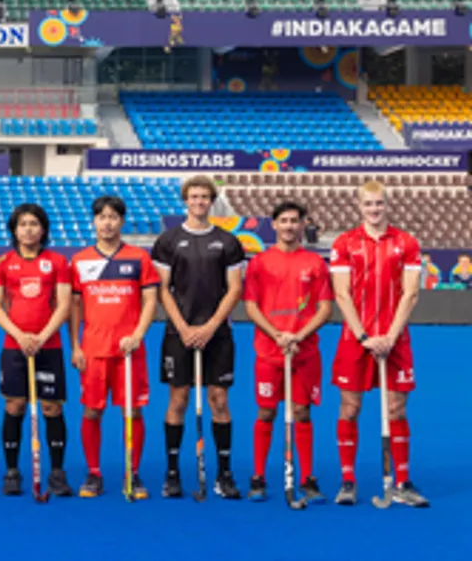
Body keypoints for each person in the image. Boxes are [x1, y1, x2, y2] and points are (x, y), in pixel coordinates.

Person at [329, 181, 428, 507]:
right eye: (369, 204)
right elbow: (341, 294)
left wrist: (390, 335)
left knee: (396, 408)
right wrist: (364, 337)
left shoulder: (406, 242)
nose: (374, 209)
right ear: (359, 206)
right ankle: (348, 480)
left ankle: (402, 480)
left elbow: (410, 292)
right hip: (355, 339)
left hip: (394, 339)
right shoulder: (344, 243)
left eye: (379, 204)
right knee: (350, 407)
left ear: (388, 205)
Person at [150, 176, 246, 499]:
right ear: (185, 200)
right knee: (178, 399)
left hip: (217, 334)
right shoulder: (168, 240)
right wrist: (184, 327)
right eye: (194, 196)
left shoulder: (229, 242)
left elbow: (235, 289)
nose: (199, 202)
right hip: (179, 333)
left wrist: (209, 327)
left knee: (219, 399)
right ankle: (172, 473)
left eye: (205, 196)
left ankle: (224, 473)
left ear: (212, 201)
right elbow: (162, 289)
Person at [242, 200, 334, 502]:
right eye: (284, 221)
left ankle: (307, 478)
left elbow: (325, 308)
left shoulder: (316, 263)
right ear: (275, 224)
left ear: (303, 224)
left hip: (304, 350)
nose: (290, 226)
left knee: (301, 411)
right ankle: (258, 477)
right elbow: (251, 306)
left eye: (295, 220)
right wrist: (278, 335)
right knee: (266, 411)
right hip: (269, 350)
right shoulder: (259, 262)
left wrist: (298, 335)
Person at [71, 195, 158, 499]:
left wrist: (138, 334)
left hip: (130, 351)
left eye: (113, 217)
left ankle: (132, 472)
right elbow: (75, 307)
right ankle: (93, 473)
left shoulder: (139, 258)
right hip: (93, 349)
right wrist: (75, 346)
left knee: (132, 411)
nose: (107, 223)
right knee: (92, 411)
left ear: (122, 221)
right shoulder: (81, 260)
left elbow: (150, 301)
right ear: (94, 222)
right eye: (102, 217)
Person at [0, 203, 74, 498]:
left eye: (34, 224)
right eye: (22, 224)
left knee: (52, 407)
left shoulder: (58, 262)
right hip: (14, 346)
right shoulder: (1, 263)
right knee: (15, 406)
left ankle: (58, 472)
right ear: (14, 229)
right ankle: (12, 471)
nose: (28, 229)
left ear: (43, 229)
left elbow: (64, 305)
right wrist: (21, 336)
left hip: (49, 346)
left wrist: (41, 336)